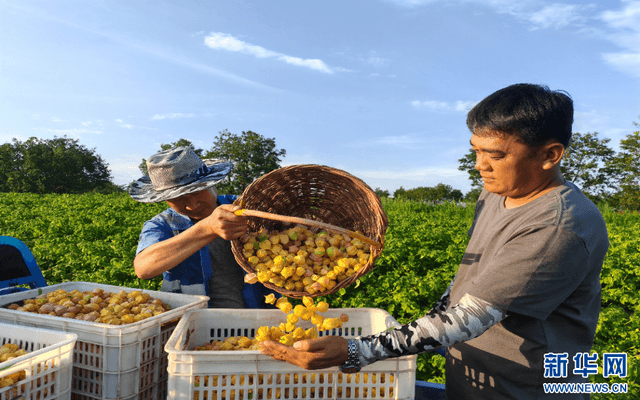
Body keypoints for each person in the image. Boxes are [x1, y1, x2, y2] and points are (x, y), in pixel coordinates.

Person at [260, 83, 610, 399]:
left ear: (551, 155)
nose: (480, 166)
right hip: (473, 376)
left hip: (525, 386)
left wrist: (357, 351)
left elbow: (471, 315)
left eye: (496, 154)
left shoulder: (558, 226)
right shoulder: (495, 194)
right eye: (476, 151)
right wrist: (435, 320)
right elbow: (467, 285)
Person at [129, 146, 278, 308]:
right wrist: (207, 228)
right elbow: (143, 268)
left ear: (212, 183)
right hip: (196, 321)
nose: (192, 205)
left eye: (197, 192)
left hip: (262, 317)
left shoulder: (244, 207)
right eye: (179, 199)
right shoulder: (162, 224)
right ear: (165, 200)